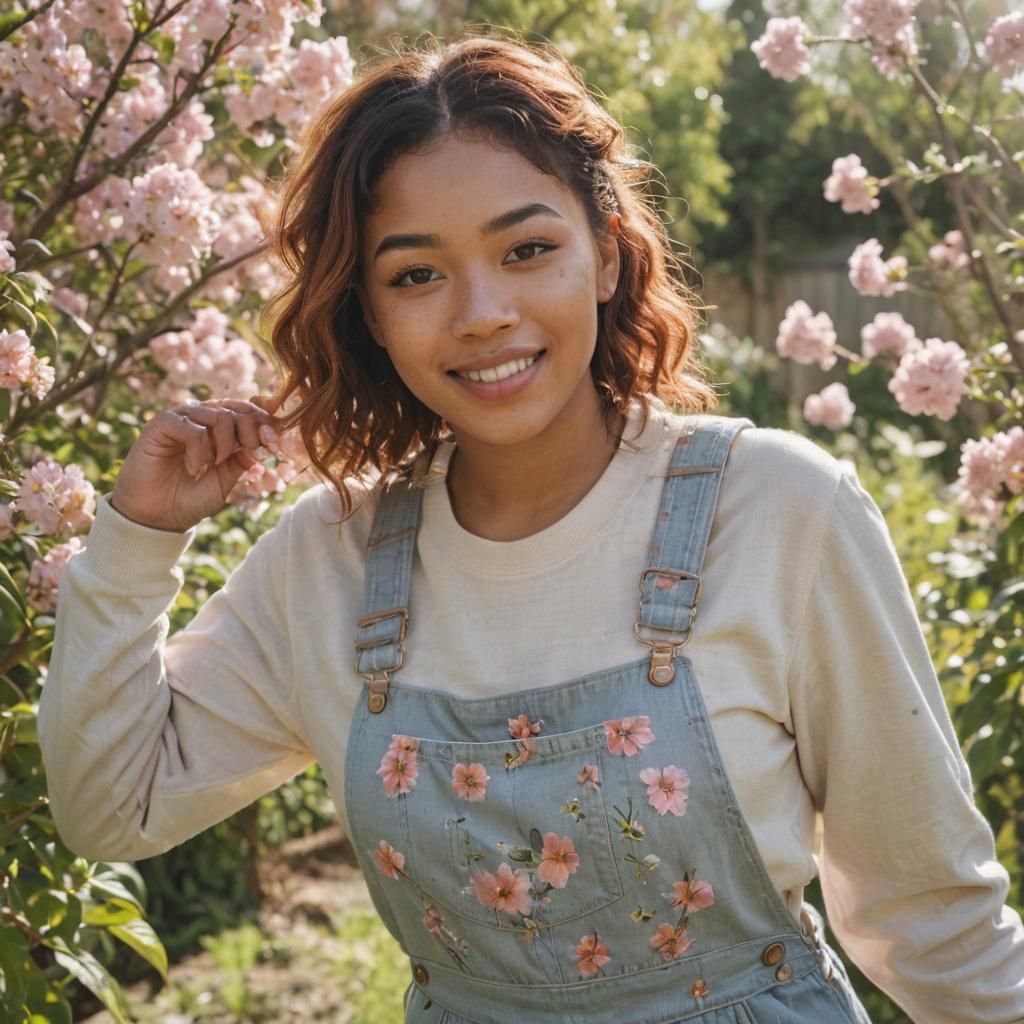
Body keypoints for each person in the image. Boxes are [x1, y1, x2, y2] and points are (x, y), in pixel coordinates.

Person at [38, 33, 1024, 1024]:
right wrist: (135, 540)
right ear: (369, 313)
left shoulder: (776, 513)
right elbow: (113, 806)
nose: (481, 312)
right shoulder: (328, 563)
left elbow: (932, 914)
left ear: (604, 251)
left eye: (527, 249)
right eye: (416, 274)